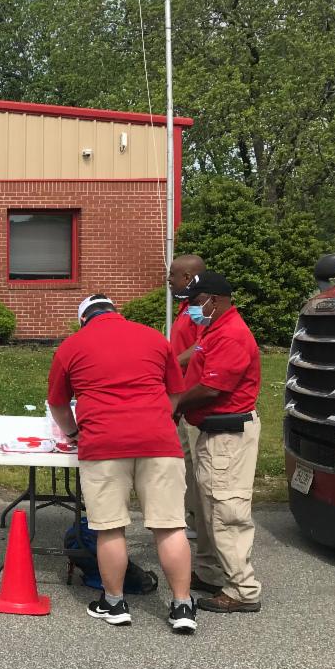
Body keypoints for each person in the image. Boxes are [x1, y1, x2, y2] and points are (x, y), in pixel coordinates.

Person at [47, 294, 196, 633]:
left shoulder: (72, 345)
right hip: (158, 441)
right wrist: (160, 418)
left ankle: (114, 603)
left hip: (103, 442)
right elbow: (175, 391)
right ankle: (182, 605)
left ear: (84, 318)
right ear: (117, 313)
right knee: (170, 525)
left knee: (110, 526)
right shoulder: (153, 338)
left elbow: (57, 403)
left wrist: (74, 433)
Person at [173, 272, 264, 614]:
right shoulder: (214, 329)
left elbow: (212, 388)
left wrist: (174, 402)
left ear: (215, 299)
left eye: (196, 303)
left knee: (227, 510)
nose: (193, 311)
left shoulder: (231, 334)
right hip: (213, 432)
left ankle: (242, 589)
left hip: (228, 435)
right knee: (210, 507)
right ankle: (212, 572)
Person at [168, 253, 206, 544]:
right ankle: (191, 517)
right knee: (184, 461)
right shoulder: (186, 308)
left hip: (196, 397)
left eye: (172, 275)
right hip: (180, 396)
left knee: (194, 463)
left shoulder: (203, 309)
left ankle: (200, 522)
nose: (168, 281)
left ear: (187, 278)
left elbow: (204, 345)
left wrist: (170, 364)